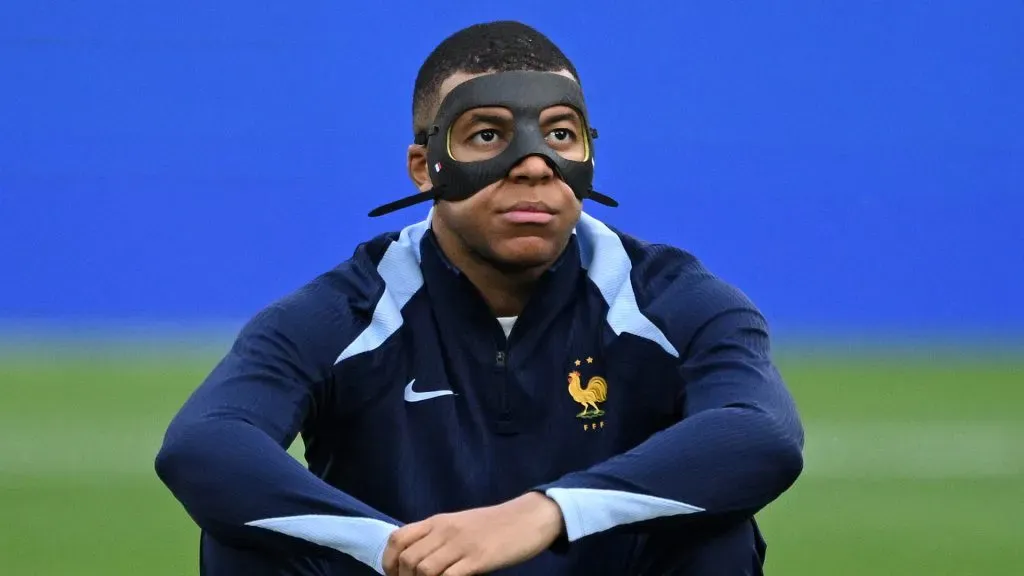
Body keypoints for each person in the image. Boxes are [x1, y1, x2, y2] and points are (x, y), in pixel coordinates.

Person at [155, 20, 805, 576]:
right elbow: (205, 446)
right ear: (424, 166)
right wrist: (399, 551)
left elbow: (762, 435)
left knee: (717, 524)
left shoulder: (675, 300)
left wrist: (544, 512)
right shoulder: (342, 311)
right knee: (242, 536)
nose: (533, 165)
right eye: (489, 135)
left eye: (559, 134)